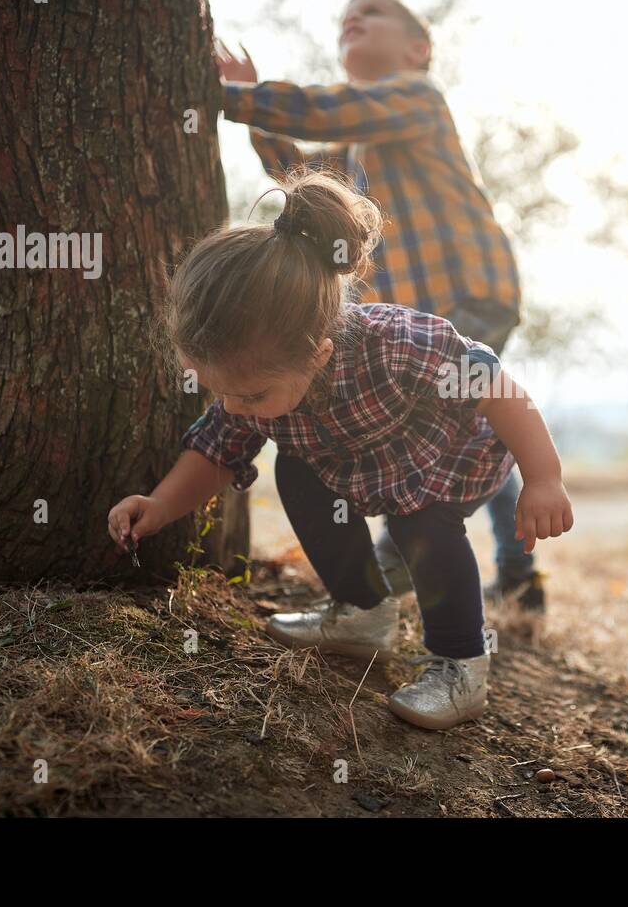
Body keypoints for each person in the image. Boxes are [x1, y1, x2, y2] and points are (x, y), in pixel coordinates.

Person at [106, 170, 573, 730]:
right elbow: (214, 453)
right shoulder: (250, 391)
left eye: (249, 394)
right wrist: (157, 507)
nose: (232, 407)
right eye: (217, 391)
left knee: (419, 526)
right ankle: (363, 610)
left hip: (440, 461)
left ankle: (460, 667)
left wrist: (543, 477)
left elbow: (497, 390)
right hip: (352, 466)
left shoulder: (397, 342)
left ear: (319, 353)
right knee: (295, 472)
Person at [214, 0, 545, 610]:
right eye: (345, 19)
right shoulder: (354, 147)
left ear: (418, 50)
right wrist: (257, 111)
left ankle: (437, 565)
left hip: (469, 295)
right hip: (422, 317)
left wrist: (231, 98)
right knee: (466, 425)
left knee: (467, 417)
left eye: (373, 13)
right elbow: (298, 175)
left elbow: (326, 110)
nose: (353, 20)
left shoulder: (417, 98)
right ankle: (494, 571)